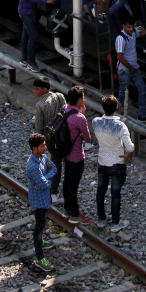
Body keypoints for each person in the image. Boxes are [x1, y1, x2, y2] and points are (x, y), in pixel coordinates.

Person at [91, 95, 134, 233]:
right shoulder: (120, 126)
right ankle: (115, 222)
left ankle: (101, 219)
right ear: (116, 107)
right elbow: (130, 147)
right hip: (117, 162)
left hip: (102, 160)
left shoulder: (96, 122)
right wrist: (128, 156)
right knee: (115, 193)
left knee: (101, 190)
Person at [58, 86, 92, 226]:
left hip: (65, 152)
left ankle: (66, 209)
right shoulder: (79, 118)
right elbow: (88, 138)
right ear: (79, 100)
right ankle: (74, 213)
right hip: (77, 155)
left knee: (67, 181)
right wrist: (83, 114)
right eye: (83, 97)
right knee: (74, 185)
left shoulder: (64, 110)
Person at [25, 134, 58, 273]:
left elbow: (54, 169)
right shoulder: (32, 166)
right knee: (38, 229)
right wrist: (46, 181)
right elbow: (44, 184)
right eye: (43, 145)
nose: (46, 147)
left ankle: (41, 242)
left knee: (42, 223)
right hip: (38, 201)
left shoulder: (42, 157)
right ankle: (39, 258)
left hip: (44, 198)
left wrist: (46, 178)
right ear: (35, 148)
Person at [18, 0, 57, 70]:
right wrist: (46, 1)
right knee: (33, 36)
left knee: (26, 34)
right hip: (26, 10)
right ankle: (30, 61)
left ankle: (24, 59)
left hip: (29, 9)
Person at [115, 19, 146, 124]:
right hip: (124, 70)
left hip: (134, 68)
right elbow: (120, 56)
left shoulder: (133, 33)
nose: (131, 29)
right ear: (123, 26)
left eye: (132, 27)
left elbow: (141, 34)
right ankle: (118, 112)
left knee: (143, 89)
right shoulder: (120, 38)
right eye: (128, 27)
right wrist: (130, 68)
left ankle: (142, 115)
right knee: (123, 92)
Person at [33, 77, 67, 195]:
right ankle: (65, 191)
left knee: (55, 164)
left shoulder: (40, 105)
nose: (35, 91)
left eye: (37, 89)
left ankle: (53, 190)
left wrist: (39, 145)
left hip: (52, 139)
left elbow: (38, 128)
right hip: (64, 135)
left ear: (45, 89)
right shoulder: (60, 96)